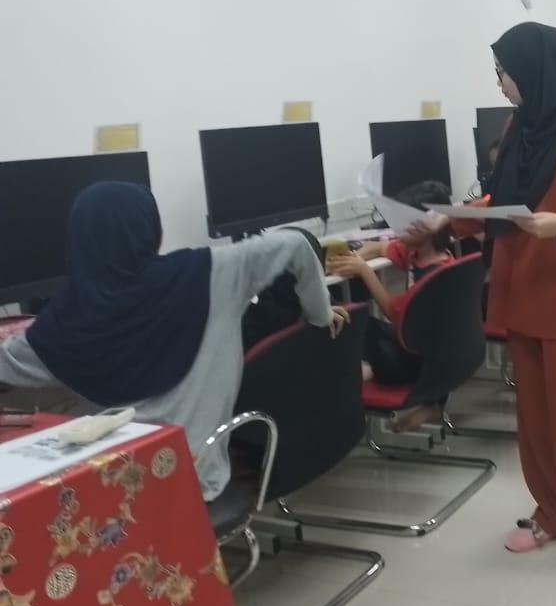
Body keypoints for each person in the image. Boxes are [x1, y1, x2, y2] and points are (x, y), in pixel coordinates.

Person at [418, 21, 556, 573]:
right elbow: (506, 197)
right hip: (523, 294)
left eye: (505, 72)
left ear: (534, 70)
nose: (499, 83)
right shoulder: (522, 126)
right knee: (536, 420)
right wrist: (452, 218)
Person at [0, 183, 346, 501]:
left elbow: (6, 363)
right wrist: (320, 314)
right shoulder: (210, 272)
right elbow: (297, 243)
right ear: (152, 228)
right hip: (198, 477)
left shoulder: (59, 323)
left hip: (113, 492)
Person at [328, 181, 458, 433]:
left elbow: (394, 314)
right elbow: (381, 247)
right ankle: (429, 401)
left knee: (354, 319)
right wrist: (358, 258)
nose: (396, 228)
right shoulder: (424, 255)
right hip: (429, 356)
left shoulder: (431, 278)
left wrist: (364, 272)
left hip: (412, 364)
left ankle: (353, 382)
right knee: (365, 323)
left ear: (427, 227)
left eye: (403, 222)